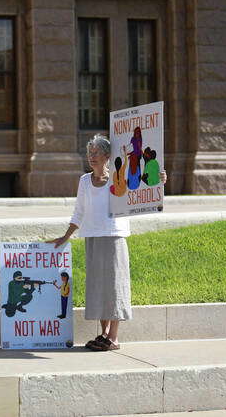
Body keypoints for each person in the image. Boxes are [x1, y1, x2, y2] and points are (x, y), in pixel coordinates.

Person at [47, 134, 166, 351]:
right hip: (93, 237)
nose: (91, 157)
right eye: (89, 153)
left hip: (114, 237)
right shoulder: (84, 181)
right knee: (98, 287)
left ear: (106, 156)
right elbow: (79, 212)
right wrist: (66, 236)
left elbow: (144, 189)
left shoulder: (119, 177)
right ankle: (102, 334)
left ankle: (114, 337)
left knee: (114, 286)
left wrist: (159, 179)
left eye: (96, 153)